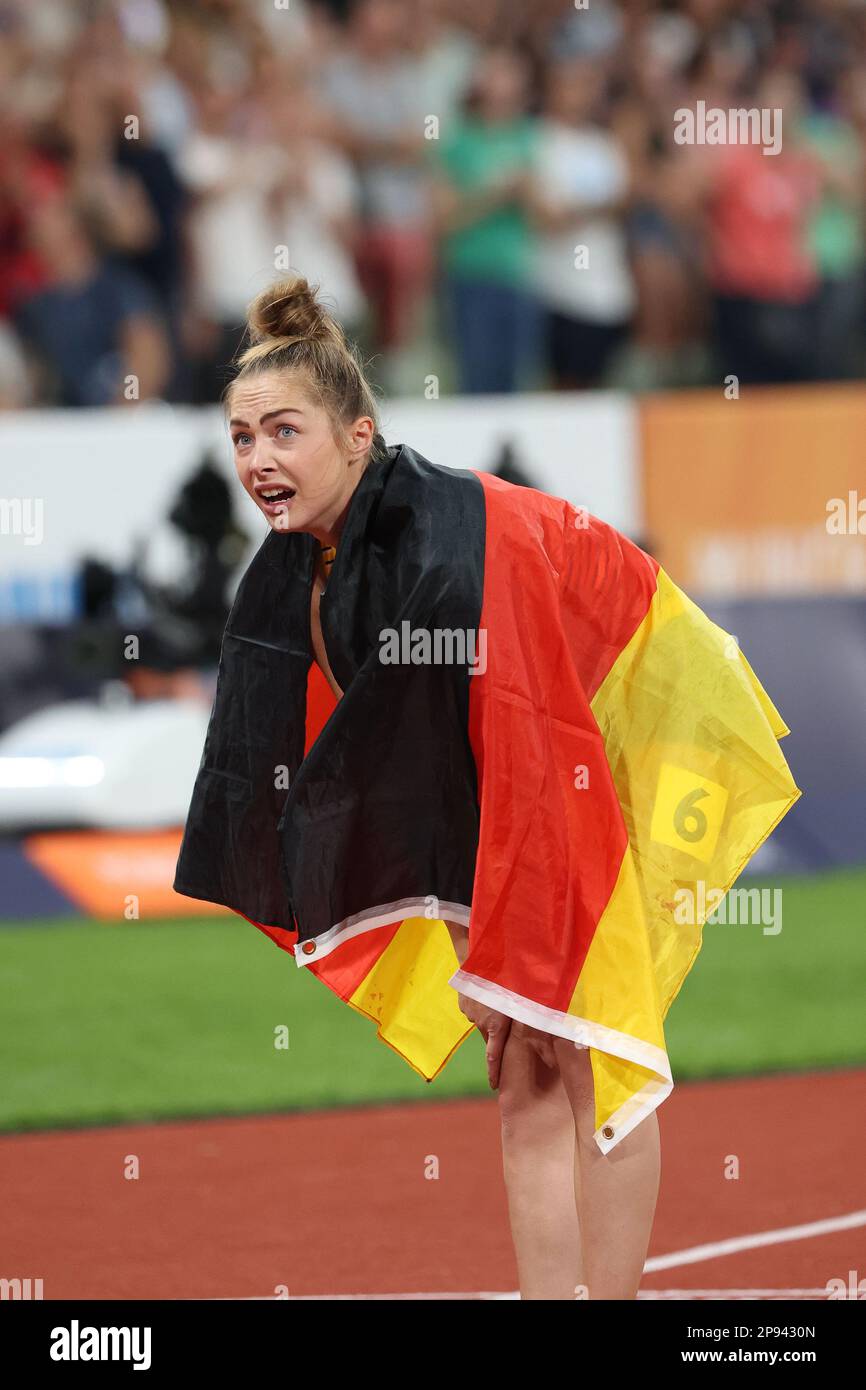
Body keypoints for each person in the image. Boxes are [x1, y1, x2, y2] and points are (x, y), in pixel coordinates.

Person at [174, 275, 801, 1299]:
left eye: (283, 432)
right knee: (518, 1070)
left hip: (604, 721)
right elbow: (387, 764)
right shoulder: (294, 572)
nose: (257, 460)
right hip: (499, 768)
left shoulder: (448, 547)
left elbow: (525, 739)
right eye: (242, 437)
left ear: (356, 437)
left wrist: (500, 941)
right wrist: (474, 934)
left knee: (591, 1051)